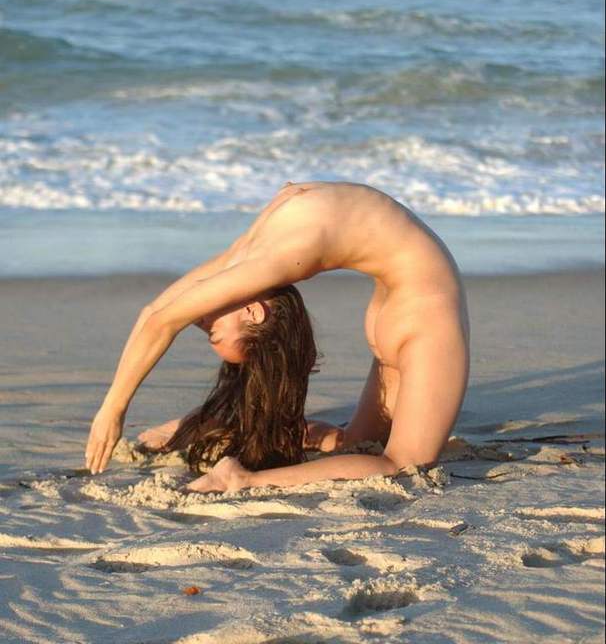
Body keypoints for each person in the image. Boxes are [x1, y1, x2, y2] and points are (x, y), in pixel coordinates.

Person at [85, 181, 470, 493]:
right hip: (423, 312)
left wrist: (112, 411)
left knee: (355, 444)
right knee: (403, 464)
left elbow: (158, 317)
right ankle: (243, 478)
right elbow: (157, 317)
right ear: (252, 313)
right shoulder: (263, 258)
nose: (202, 321)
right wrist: (112, 408)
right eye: (212, 332)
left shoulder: (252, 256)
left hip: (401, 308)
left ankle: (217, 428)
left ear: (254, 311)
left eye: (212, 334)